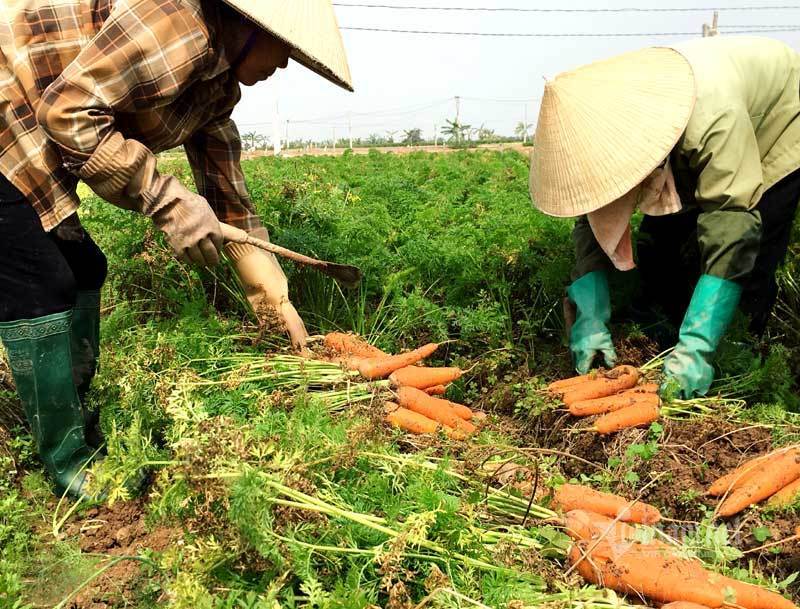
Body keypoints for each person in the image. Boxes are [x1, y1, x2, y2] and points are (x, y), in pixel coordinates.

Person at [0, 0, 353, 497]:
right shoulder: (180, 26)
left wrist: (277, 304)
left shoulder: (216, 87)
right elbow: (67, 111)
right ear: (249, 26)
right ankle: (67, 461)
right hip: (8, 112)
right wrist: (165, 199)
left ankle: (72, 416)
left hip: (32, 127)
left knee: (85, 267)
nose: (285, 64)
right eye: (285, 48)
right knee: (42, 281)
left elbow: (228, 198)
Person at [529, 36, 800, 398]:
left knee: (752, 252)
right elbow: (594, 211)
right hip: (688, 137)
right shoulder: (609, 121)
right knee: (660, 247)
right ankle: (662, 331)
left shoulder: (712, 117)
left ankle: (733, 358)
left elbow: (732, 220)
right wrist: (590, 315)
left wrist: (697, 345)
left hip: (779, 119)